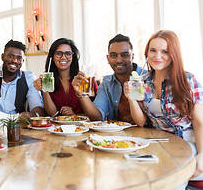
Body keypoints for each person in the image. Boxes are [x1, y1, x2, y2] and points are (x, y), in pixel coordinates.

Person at [126, 30, 203, 180]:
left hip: (188, 144)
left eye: (165, 51)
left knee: (165, 179)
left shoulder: (188, 81)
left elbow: (200, 122)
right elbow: (141, 122)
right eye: (153, 50)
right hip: (159, 143)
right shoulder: (142, 81)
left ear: (174, 54)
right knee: (131, 169)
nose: (157, 56)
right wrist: (131, 99)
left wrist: (202, 156)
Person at [72, 34, 145, 123]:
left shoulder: (147, 77)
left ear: (132, 56)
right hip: (118, 135)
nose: (119, 60)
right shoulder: (107, 83)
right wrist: (82, 93)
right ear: (108, 58)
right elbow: (97, 117)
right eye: (114, 55)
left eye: (124, 55)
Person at [0, 40, 44, 118]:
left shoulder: (28, 77)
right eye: (10, 56)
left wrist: (32, 115)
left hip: (16, 124)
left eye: (19, 58)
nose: (14, 61)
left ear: (22, 61)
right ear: (2, 57)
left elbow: (37, 108)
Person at [33, 38, 97, 116]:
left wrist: (75, 116)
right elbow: (52, 114)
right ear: (52, 57)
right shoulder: (48, 81)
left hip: (82, 127)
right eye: (59, 53)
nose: (63, 57)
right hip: (56, 127)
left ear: (73, 57)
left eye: (68, 54)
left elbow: (96, 114)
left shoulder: (84, 80)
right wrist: (44, 89)